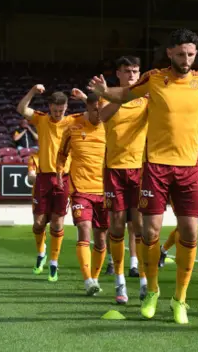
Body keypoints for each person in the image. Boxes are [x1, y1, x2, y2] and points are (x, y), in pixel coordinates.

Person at [88, 28, 198, 324]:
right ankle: (153, 290)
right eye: (181, 54)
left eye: (191, 54)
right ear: (170, 52)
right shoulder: (154, 77)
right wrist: (103, 92)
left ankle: (180, 299)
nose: (186, 59)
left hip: (189, 168)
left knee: (190, 232)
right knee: (150, 232)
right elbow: (126, 93)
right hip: (156, 166)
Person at [94, 55, 149, 304]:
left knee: (140, 225)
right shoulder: (107, 97)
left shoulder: (147, 99)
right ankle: (119, 280)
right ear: (119, 73)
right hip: (114, 168)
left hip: (140, 168)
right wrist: (121, 96)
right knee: (116, 225)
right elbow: (101, 117)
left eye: (136, 72)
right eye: (127, 71)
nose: (132, 76)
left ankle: (145, 280)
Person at [17, 85, 80, 282]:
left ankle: (54, 262)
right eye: (55, 110)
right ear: (49, 107)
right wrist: (32, 92)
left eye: (61, 110)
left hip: (64, 177)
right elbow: (21, 109)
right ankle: (41, 253)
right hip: (44, 178)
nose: (58, 114)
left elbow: (98, 113)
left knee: (57, 222)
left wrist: (85, 96)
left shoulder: (72, 121)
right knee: (38, 223)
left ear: (66, 107)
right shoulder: (41, 119)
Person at [56, 93, 108, 296]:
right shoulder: (73, 127)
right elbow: (62, 154)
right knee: (84, 230)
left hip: (105, 190)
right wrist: (60, 172)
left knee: (102, 239)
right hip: (80, 190)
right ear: (87, 107)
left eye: (102, 109)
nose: (99, 113)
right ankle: (87, 280)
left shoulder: (110, 127)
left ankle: (95, 277)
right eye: (95, 109)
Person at [159, 140, 198, 267]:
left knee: (187, 226)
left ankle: (163, 251)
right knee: (183, 225)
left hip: (193, 185)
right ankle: (178, 257)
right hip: (177, 185)